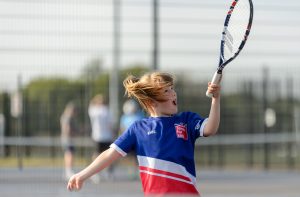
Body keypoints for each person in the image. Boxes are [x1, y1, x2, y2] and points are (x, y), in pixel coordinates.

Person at [67, 72, 221, 196]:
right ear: (152, 102)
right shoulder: (138, 128)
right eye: (166, 91)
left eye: (172, 88)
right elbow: (109, 154)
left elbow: (210, 128)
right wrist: (82, 175)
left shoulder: (186, 120)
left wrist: (215, 99)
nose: (173, 93)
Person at [88, 94, 115, 181]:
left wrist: (94, 101)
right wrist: (113, 134)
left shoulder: (94, 110)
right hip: (106, 136)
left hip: (98, 136)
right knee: (109, 155)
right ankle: (108, 173)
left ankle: (95, 173)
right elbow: (111, 124)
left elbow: (90, 106)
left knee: (96, 154)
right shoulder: (107, 110)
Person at [119, 99, 144, 179]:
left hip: (139, 140)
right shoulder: (124, 117)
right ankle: (133, 170)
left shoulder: (140, 115)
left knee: (138, 156)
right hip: (129, 140)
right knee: (130, 156)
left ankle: (138, 171)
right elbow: (122, 128)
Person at [60, 102, 78, 180]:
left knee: (69, 154)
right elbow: (67, 129)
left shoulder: (66, 117)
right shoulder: (67, 117)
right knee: (69, 154)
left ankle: (68, 170)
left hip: (68, 139)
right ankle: (68, 171)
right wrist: (73, 133)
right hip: (68, 139)